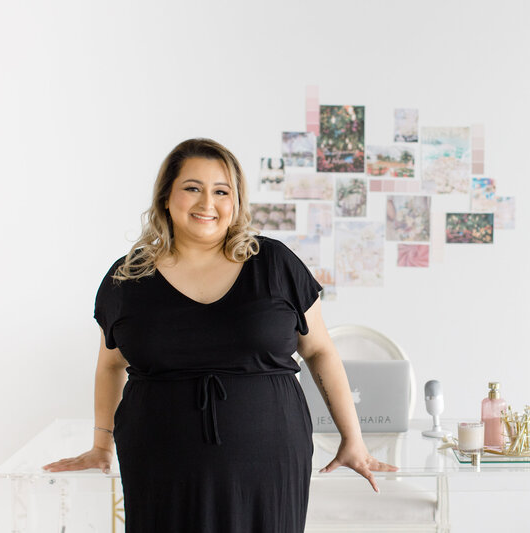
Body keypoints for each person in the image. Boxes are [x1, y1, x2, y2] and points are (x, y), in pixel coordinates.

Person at [42, 138, 396, 532]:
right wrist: (101, 445)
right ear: (166, 196)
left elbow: (320, 352)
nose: (207, 203)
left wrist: (353, 438)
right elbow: (110, 366)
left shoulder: (275, 263)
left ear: (236, 201)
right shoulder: (127, 277)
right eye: (192, 188)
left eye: (221, 191)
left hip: (270, 460)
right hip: (159, 461)